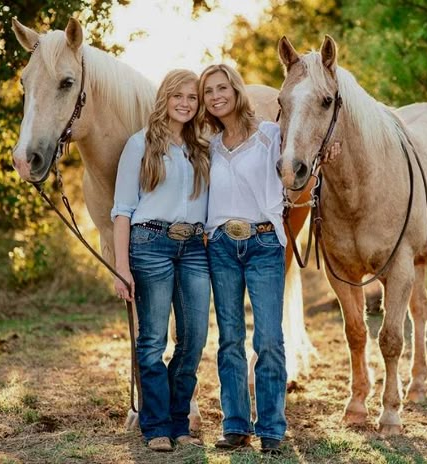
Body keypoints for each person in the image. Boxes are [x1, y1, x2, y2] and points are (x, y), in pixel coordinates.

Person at [111, 69, 210, 452]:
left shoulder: (201, 146)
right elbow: (122, 210)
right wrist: (121, 268)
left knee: (194, 339)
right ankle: (156, 425)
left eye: (192, 98)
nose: (185, 104)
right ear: (165, 99)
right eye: (178, 96)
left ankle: (178, 417)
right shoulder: (140, 145)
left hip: (195, 248)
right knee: (152, 340)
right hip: (149, 243)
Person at [197, 63, 289, 454]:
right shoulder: (210, 146)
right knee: (229, 339)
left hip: (263, 244)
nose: (216, 96)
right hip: (220, 245)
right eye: (208, 92)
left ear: (235, 90)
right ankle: (235, 425)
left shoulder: (270, 136)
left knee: (268, 339)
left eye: (222, 88)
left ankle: (271, 429)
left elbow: (301, 164)